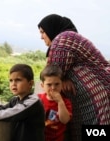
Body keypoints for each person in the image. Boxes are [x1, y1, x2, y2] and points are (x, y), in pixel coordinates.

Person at [37, 13, 110, 141]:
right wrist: (63, 79)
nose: (41, 37)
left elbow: (50, 74)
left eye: (43, 32)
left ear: (51, 28)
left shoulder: (62, 40)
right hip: (93, 98)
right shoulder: (69, 37)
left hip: (96, 99)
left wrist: (60, 77)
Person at [0, 64, 45, 141]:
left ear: (30, 83)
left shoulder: (33, 102)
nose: (13, 84)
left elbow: (11, 112)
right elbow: (2, 109)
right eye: (11, 80)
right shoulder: (15, 100)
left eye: (18, 80)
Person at [38, 64, 72, 141]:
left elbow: (65, 120)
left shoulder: (66, 102)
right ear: (42, 86)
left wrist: (60, 102)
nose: (53, 88)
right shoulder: (38, 99)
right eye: (49, 85)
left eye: (57, 84)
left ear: (62, 85)